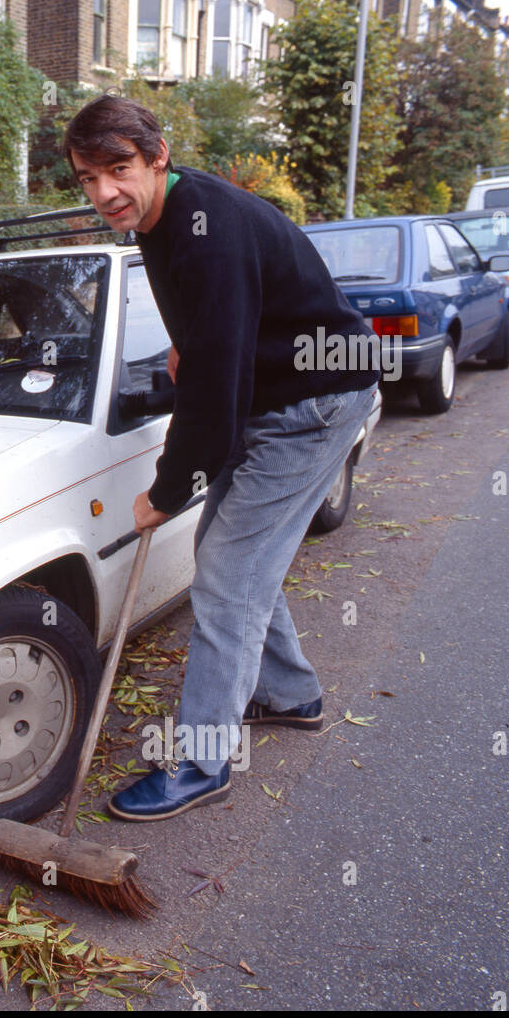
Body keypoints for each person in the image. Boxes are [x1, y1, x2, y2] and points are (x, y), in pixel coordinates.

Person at [63, 94, 379, 821]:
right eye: (87, 177)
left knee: (230, 576)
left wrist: (167, 491)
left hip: (315, 401)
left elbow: (213, 394)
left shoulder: (208, 230)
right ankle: (291, 694)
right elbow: (210, 331)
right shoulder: (158, 213)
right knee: (231, 554)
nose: (103, 190)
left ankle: (205, 760)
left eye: (118, 169)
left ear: (157, 156)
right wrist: (190, 338)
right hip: (275, 391)